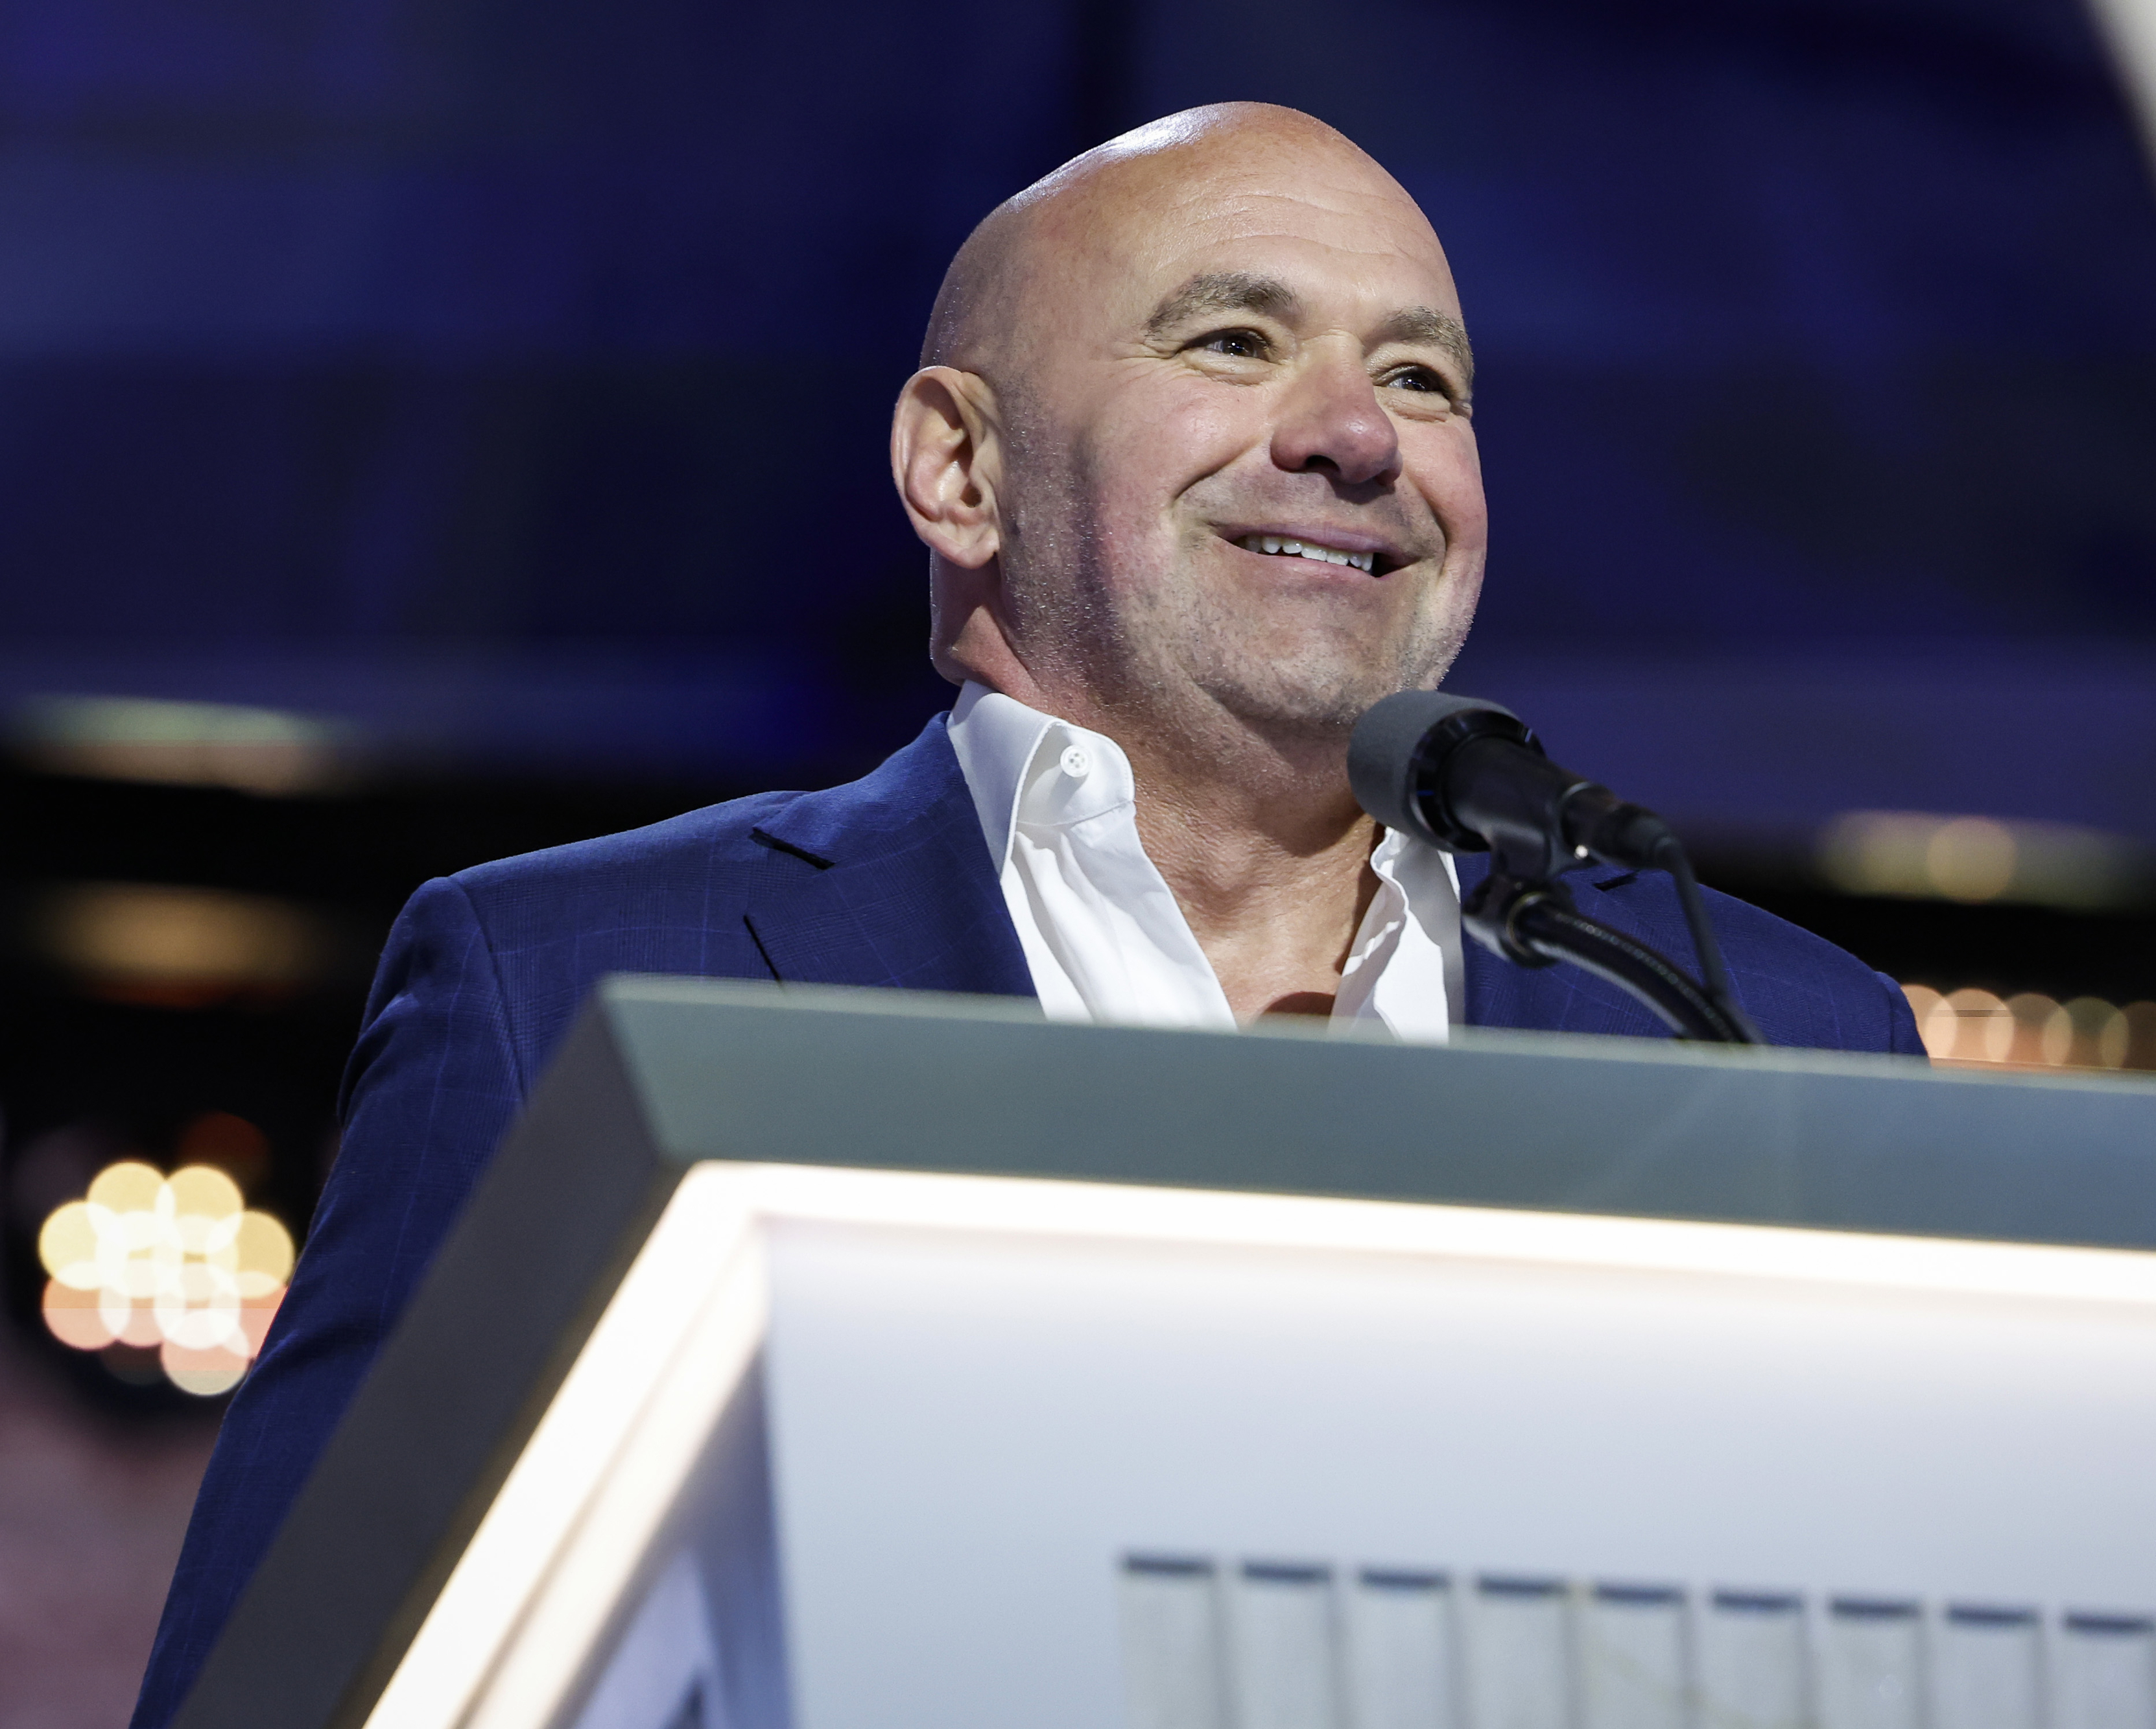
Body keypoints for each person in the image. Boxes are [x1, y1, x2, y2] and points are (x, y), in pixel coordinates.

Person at [128, 102, 1921, 1726]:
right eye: (1233, 340)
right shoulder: (569, 991)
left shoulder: (1772, 1033)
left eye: (1425, 380)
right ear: (959, 471)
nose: (1359, 435)